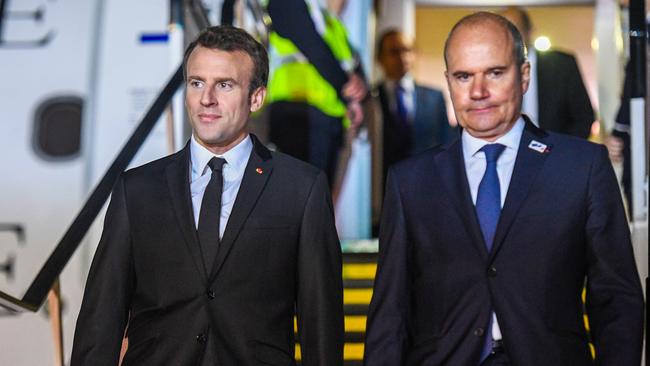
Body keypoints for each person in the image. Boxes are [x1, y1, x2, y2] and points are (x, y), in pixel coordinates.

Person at [364, 12, 643, 366]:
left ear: (524, 75)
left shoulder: (581, 168)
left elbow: (616, 298)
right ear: (449, 81)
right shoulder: (410, 182)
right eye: (464, 77)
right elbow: (390, 312)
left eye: (495, 73)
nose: (479, 92)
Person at [71, 26, 343, 366]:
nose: (206, 99)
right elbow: (101, 319)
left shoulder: (301, 188)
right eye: (196, 82)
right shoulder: (137, 189)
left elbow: (321, 323)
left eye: (224, 85)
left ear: (256, 97)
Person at [266, 0, 367, 187]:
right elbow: (314, 47)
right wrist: (348, 93)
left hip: (330, 117)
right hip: (297, 111)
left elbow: (352, 61)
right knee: (298, 199)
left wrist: (359, 86)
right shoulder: (288, 4)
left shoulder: (330, 21)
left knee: (319, 201)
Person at [373, 28, 456, 208]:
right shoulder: (370, 100)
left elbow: (446, 146)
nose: (402, 57)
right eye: (394, 51)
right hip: (383, 195)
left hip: (427, 191)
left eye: (407, 50)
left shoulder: (434, 97)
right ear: (379, 58)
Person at [500, 6, 595, 139]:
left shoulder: (562, 65)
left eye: (514, 30)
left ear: (530, 31)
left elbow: (583, 117)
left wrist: (564, 154)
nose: (507, 38)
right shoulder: (489, 70)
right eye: (501, 32)